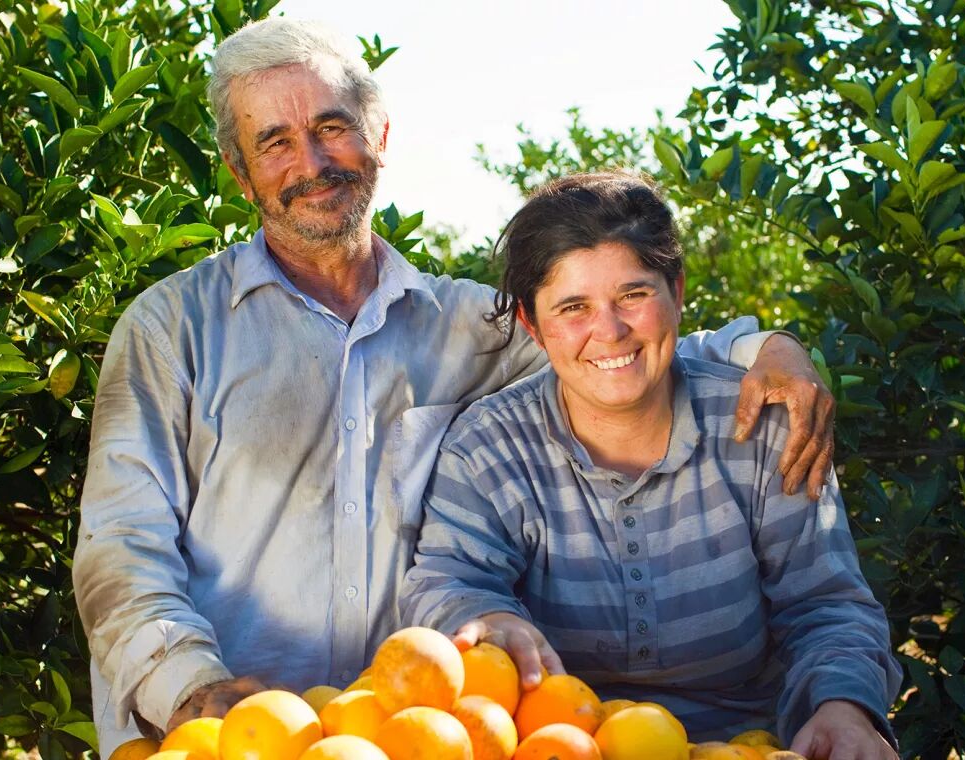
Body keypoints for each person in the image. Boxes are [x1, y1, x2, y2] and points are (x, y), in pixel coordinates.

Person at [71, 17, 838, 753]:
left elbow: (618, 343)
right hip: (222, 737)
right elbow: (121, 547)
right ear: (241, 176)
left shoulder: (475, 327)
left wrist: (767, 347)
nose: (311, 163)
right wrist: (191, 690)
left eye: (333, 127)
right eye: (274, 142)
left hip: (403, 734)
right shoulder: (171, 330)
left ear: (380, 138)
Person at [400, 173, 900, 758]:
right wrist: (481, 613)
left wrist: (843, 708)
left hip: (747, 744)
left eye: (633, 295)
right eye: (573, 307)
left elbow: (826, 604)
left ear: (677, 291)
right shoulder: (488, 448)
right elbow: (447, 576)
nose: (608, 331)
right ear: (533, 326)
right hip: (560, 743)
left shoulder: (761, 430)